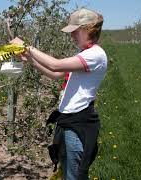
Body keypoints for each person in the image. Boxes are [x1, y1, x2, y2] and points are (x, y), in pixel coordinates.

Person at [10, 8, 107, 180]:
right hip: (68, 121)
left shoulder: (95, 55)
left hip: (78, 125)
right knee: (66, 171)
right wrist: (30, 59)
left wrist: (27, 47)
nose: (72, 36)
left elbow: (55, 65)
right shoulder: (84, 54)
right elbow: (56, 74)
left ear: (87, 29)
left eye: (75, 31)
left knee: (74, 175)